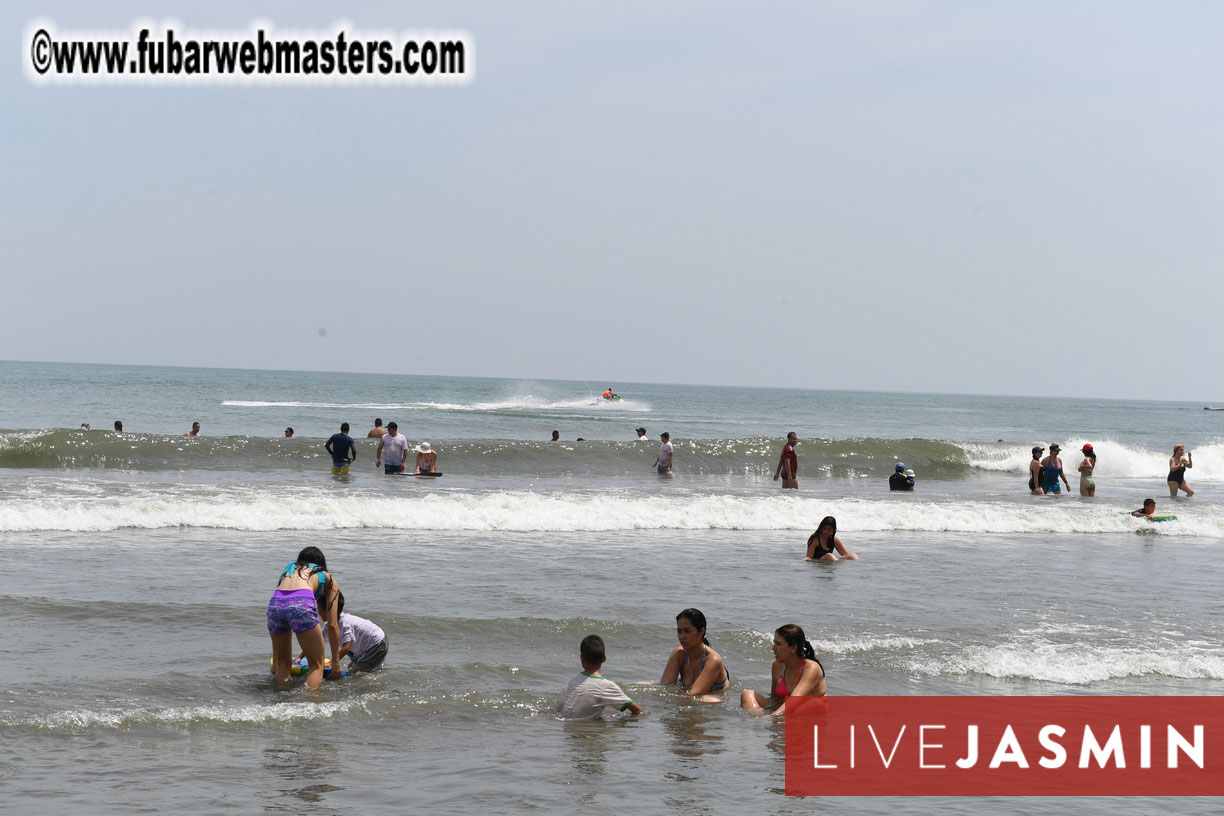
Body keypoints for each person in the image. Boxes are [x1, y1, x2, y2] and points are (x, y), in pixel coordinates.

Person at [267, 546, 342, 690]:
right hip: (301, 603)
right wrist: (336, 662)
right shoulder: (326, 576)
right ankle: (310, 704)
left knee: (284, 664)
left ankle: (278, 701)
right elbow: (332, 625)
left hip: (274, 605)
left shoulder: (288, 571)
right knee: (316, 666)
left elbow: (283, 604)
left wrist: (276, 661)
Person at [739, 624, 826, 717]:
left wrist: (772, 716)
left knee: (810, 704)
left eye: (778, 644)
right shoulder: (777, 665)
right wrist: (768, 713)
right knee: (747, 694)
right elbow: (774, 698)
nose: (773, 648)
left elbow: (795, 700)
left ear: (793, 648)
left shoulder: (811, 668)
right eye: (774, 643)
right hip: (786, 710)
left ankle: (769, 721)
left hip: (810, 715)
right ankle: (756, 723)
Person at [559, 634, 643, 719]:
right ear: (604, 658)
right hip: (586, 729)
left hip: (567, 729)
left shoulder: (573, 681)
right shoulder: (607, 686)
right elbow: (638, 711)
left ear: (582, 659)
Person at [659, 608, 730, 699]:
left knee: (707, 700)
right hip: (688, 697)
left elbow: (694, 694)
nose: (682, 637)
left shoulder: (713, 659)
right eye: (679, 631)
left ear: (701, 631)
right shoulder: (679, 654)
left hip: (710, 701)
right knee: (641, 684)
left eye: (687, 631)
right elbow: (665, 687)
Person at [334, 591, 388, 673]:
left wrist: (333, 662)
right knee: (352, 667)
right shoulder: (336, 622)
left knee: (358, 673)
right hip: (372, 643)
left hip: (376, 643)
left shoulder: (343, 623)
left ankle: (369, 682)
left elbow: (346, 647)